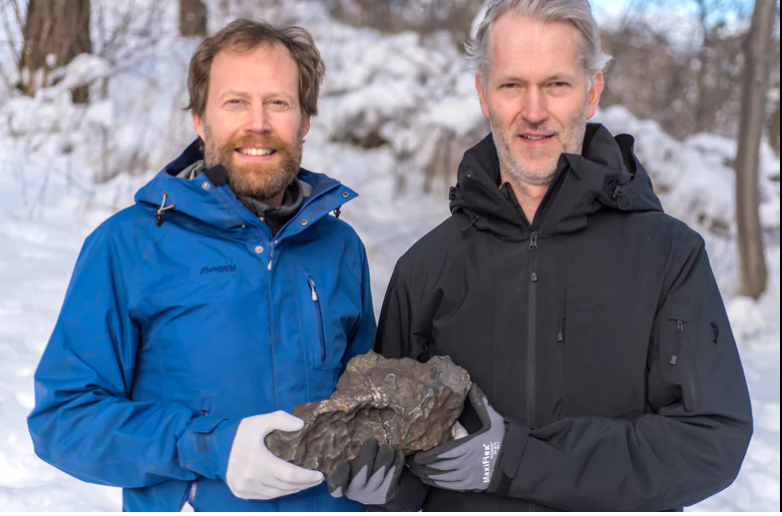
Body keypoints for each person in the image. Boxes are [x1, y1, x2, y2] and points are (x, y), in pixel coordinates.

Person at [328, 0, 753, 512]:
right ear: (483, 93)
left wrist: (519, 458)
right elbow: (408, 452)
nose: (533, 111)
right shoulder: (425, 269)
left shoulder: (668, 256)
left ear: (592, 91)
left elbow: (709, 443)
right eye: (512, 85)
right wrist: (387, 487)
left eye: (556, 84)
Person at [27, 19, 375, 512]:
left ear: (305, 119)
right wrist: (209, 446)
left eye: (278, 102)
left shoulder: (339, 247)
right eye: (235, 102)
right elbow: (64, 420)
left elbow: (366, 401)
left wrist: (382, 470)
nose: (258, 123)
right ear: (200, 120)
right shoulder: (130, 245)